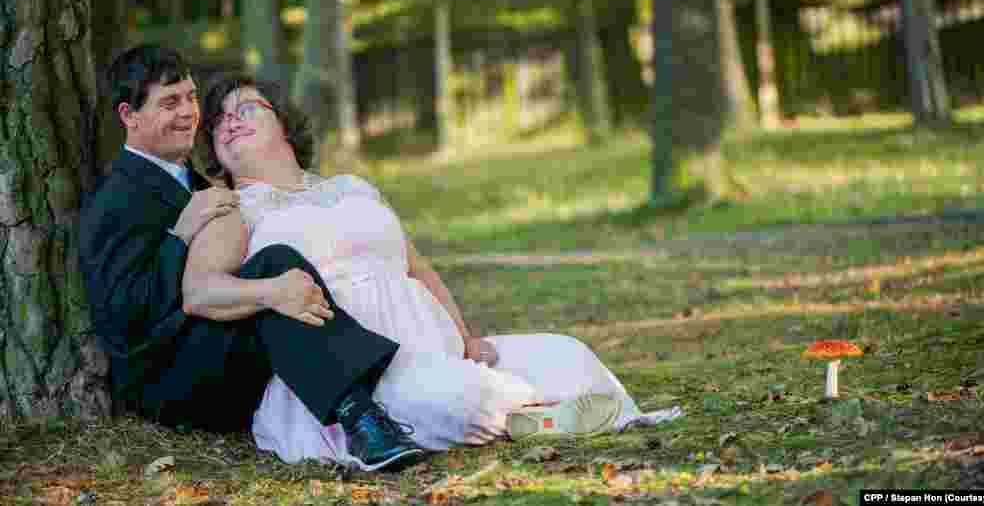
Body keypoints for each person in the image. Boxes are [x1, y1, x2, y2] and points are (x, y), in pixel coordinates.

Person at [189, 71, 678, 465]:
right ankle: (541, 417)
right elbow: (203, 291)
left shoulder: (351, 188)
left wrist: (465, 337)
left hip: (435, 346)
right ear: (214, 150)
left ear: (284, 121)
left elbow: (419, 269)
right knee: (461, 399)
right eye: (217, 123)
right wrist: (273, 291)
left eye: (245, 110)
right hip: (359, 374)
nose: (229, 123)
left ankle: (557, 412)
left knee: (566, 354)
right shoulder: (233, 207)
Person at [78, 44, 426, 472]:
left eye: (189, 97)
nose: (188, 112)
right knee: (275, 267)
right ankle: (363, 418)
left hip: (221, 344)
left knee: (277, 274)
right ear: (129, 115)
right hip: (168, 376)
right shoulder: (116, 198)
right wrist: (179, 236)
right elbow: (122, 317)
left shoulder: (195, 180)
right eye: (169, 103)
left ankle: (367, 408)